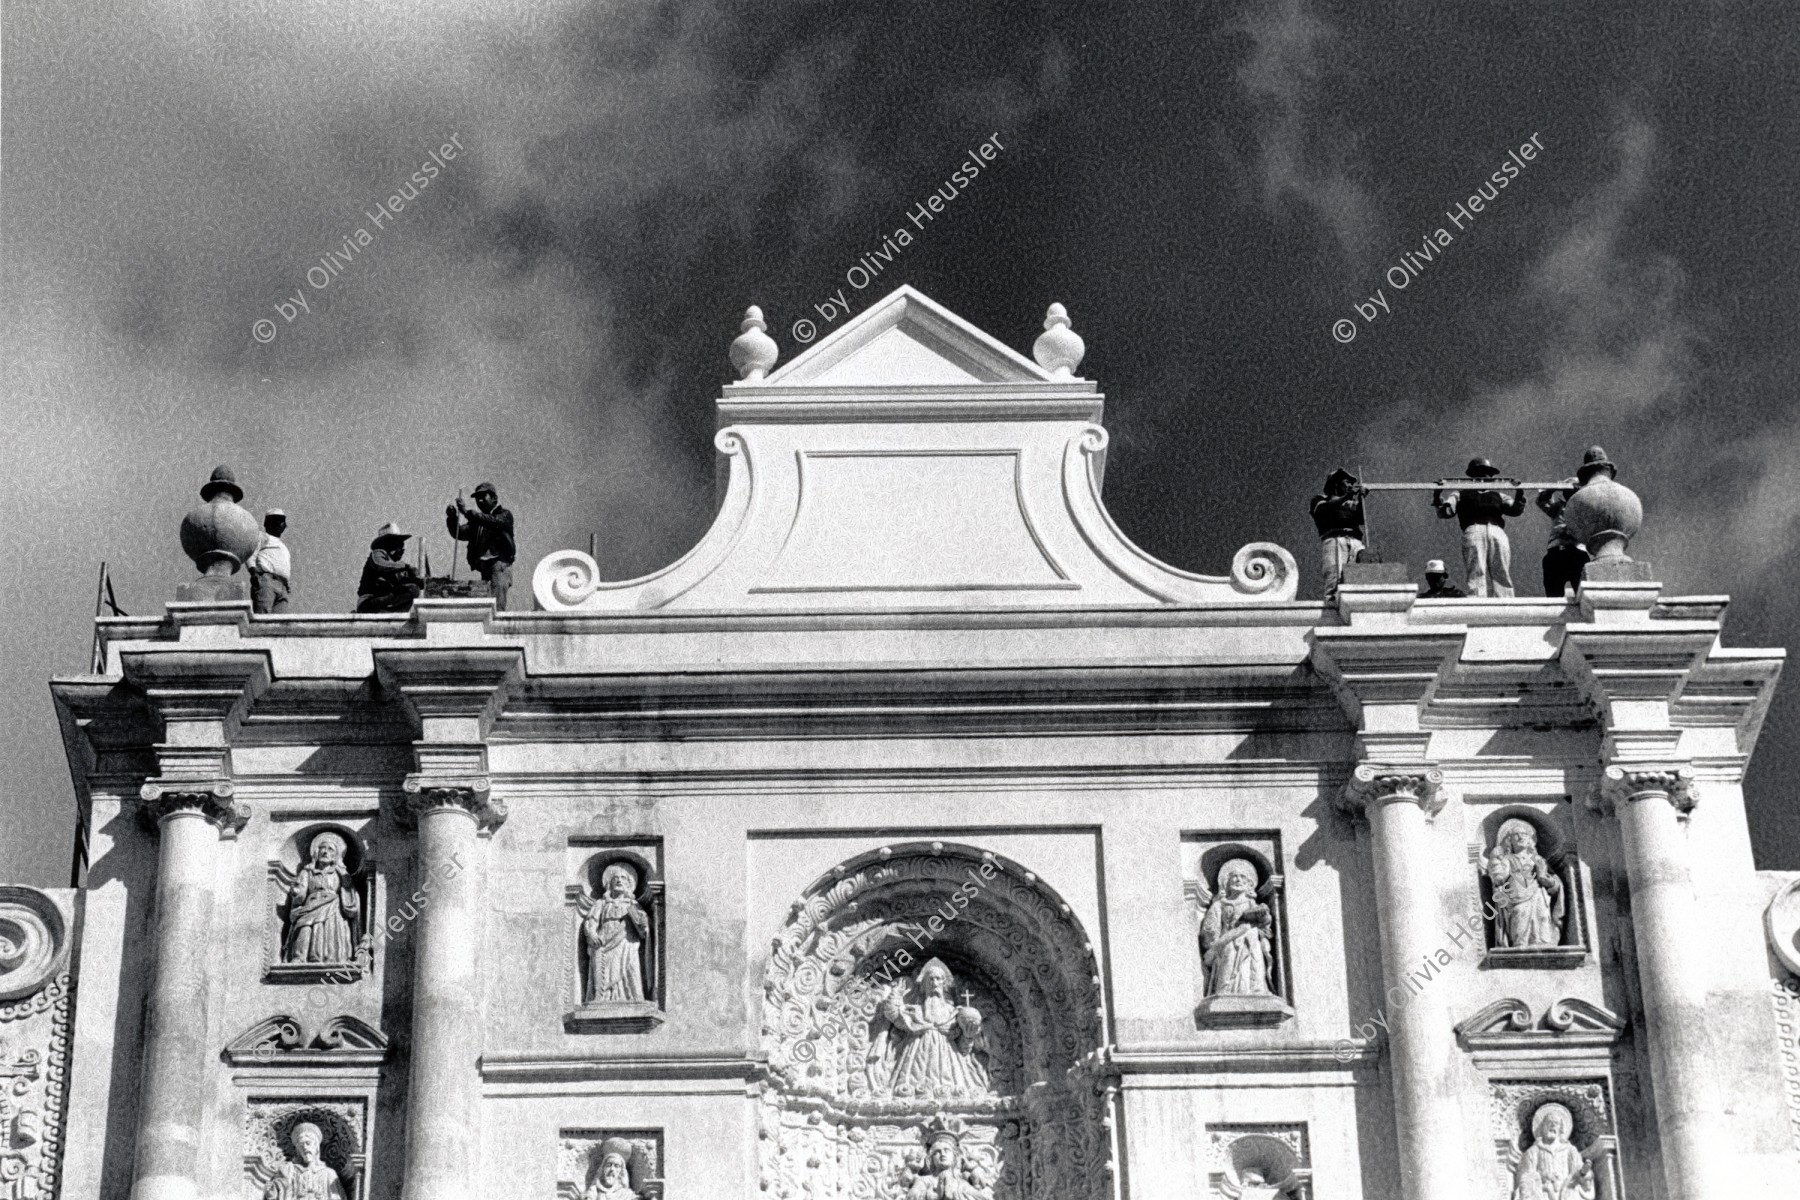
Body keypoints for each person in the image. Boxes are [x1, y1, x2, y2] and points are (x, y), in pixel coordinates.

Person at [1432, 458, 1526, 597]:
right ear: (1473, 475)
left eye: (1488, 474)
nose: (1485, 477)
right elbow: (1445, 511)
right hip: (1474, 529)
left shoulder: (1499, 495)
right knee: (1476, 571)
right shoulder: (1460, 494)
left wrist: (1519, 493)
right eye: (1481, 473)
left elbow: (1515, 510)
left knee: (1501, 570)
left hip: (1496, 530)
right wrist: (1437, 494)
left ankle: (1505, 604)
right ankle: (1477, 601)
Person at [1536, 447, 1615, 596]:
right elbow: (1541, 500)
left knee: (1583, 594)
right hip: (1556, 552)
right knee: (1553, 596)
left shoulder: (1584, 508)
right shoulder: (1557, 508)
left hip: (1577, 552)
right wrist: (1554, 488)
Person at [1199, 859, 1275, 996]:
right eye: (1234, 876)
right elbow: (1209, 929)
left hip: (1250, 943)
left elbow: (1265, 926)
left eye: (1242, 877)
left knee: (1252, 959)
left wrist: (1263, 916)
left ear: (1248, 884)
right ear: (1226, 882)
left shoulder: (1251, 903)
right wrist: (1215, 939)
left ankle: (1255, 990)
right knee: (1229, 956)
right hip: (1227, 944)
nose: (1238, 880)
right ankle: (1225, 990)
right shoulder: (1220, 904)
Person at [1485, 818, 1565, 948]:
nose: (1520, 836)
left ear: (1530, 840)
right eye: (1516, 835)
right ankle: (1519, 946)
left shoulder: (1538, 859)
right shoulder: (1508, 859)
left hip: (1538, 894)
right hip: (1516, 897)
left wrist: (1545, 878)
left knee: (1543, 917)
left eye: (1524, 834)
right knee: (1519, 916)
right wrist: (1496, 863)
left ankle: (1543, 945)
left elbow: (1556, 884)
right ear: (1509, 841)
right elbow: (1499, 879)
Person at [284, 831, 361, 965]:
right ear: (316, 852)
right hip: (310, 906)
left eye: (330, 849)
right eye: (322, 848)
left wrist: (345, 880)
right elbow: (300, 893)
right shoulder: (307, 871)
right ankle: (299, 957)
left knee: (330, 932)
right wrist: (296, 893)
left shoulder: (340, 873)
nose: (325, 852)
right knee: (304, 927)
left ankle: (331, 958)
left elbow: (349, 892)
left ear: (336, 855)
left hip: (332, 907)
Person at [582, 863, 650, 1003]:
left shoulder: (634, 905)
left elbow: (644, 930)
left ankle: (633, 997)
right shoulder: (601, 903)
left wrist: (643, 925)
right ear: (609, 884)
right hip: (604, 943)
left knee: (631, 969)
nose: (619, 880)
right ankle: (603, 998)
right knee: (604, 972)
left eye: (623, 878)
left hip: (627, 943)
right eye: (615, 878)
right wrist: (592, 934)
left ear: (629, 884)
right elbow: (590, 921)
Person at [446, 481, 515, 609]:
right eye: (478, 498)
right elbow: (459, 532)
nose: (480, 501)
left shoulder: (504, 515)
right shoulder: (477, 523)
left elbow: (493, 522)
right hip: (485, 568)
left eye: (483, 496)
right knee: (487, 604)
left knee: (496, 606)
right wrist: (452, 518)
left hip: (499, 565)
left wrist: (467, 512)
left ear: (494, 498)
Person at [1511, 1103, 1595, 1200]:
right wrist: (1541, 1180)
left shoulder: (1570, 1150)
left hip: (1565, 1194)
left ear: (1561, 1128)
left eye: (1556, 1123)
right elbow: (1525, 1177)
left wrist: (1584, 1172)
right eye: (1549, 1122)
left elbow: (1578, 1172)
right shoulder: (1533, 1151)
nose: (1552, 1126)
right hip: (1542, 1194)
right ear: (1542, 1127)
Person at [1309, 468, 1366, 599]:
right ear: (1336, 484)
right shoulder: (1319, 499)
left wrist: (1361, 499)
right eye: (1347, 482)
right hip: (1335, 540)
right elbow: (1324, 510)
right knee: (1335, 578)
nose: (1351, 486)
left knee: (1358, 580)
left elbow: (1361, 518)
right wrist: (1347, 496)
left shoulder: (1351, 503)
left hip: (1355, 541)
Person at [262, 1121, 347, 1200]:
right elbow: (280, 1189)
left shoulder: (328, 1173)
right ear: (298, 1150)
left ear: (316, 1146)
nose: (305, 1147)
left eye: (308, 1143)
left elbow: (336, 1197)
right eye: (301, 1145)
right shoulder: (291, 1170)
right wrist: (271, 1192)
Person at [354, 523, 422, 613]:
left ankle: (390, 612)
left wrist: (420, 581)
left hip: (383, 602)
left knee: (412, 589)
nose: (401, 549)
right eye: (397, 544)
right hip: (369, 602)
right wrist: (405, 566)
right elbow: (380, 564)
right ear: (389, 544)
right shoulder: (378, 554)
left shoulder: (395, 567)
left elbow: (402, 581)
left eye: (401, 545)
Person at [249, 509, 292, 614]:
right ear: (268, 524)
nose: (279, 524)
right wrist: (253, 571)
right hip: (267, 581)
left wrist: (286, 584)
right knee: (263, 614)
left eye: (281, 521)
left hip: (282, 586)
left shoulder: (283, 546)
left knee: (280, 623)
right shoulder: (262, 536)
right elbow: (251, 553)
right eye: (276, 521)